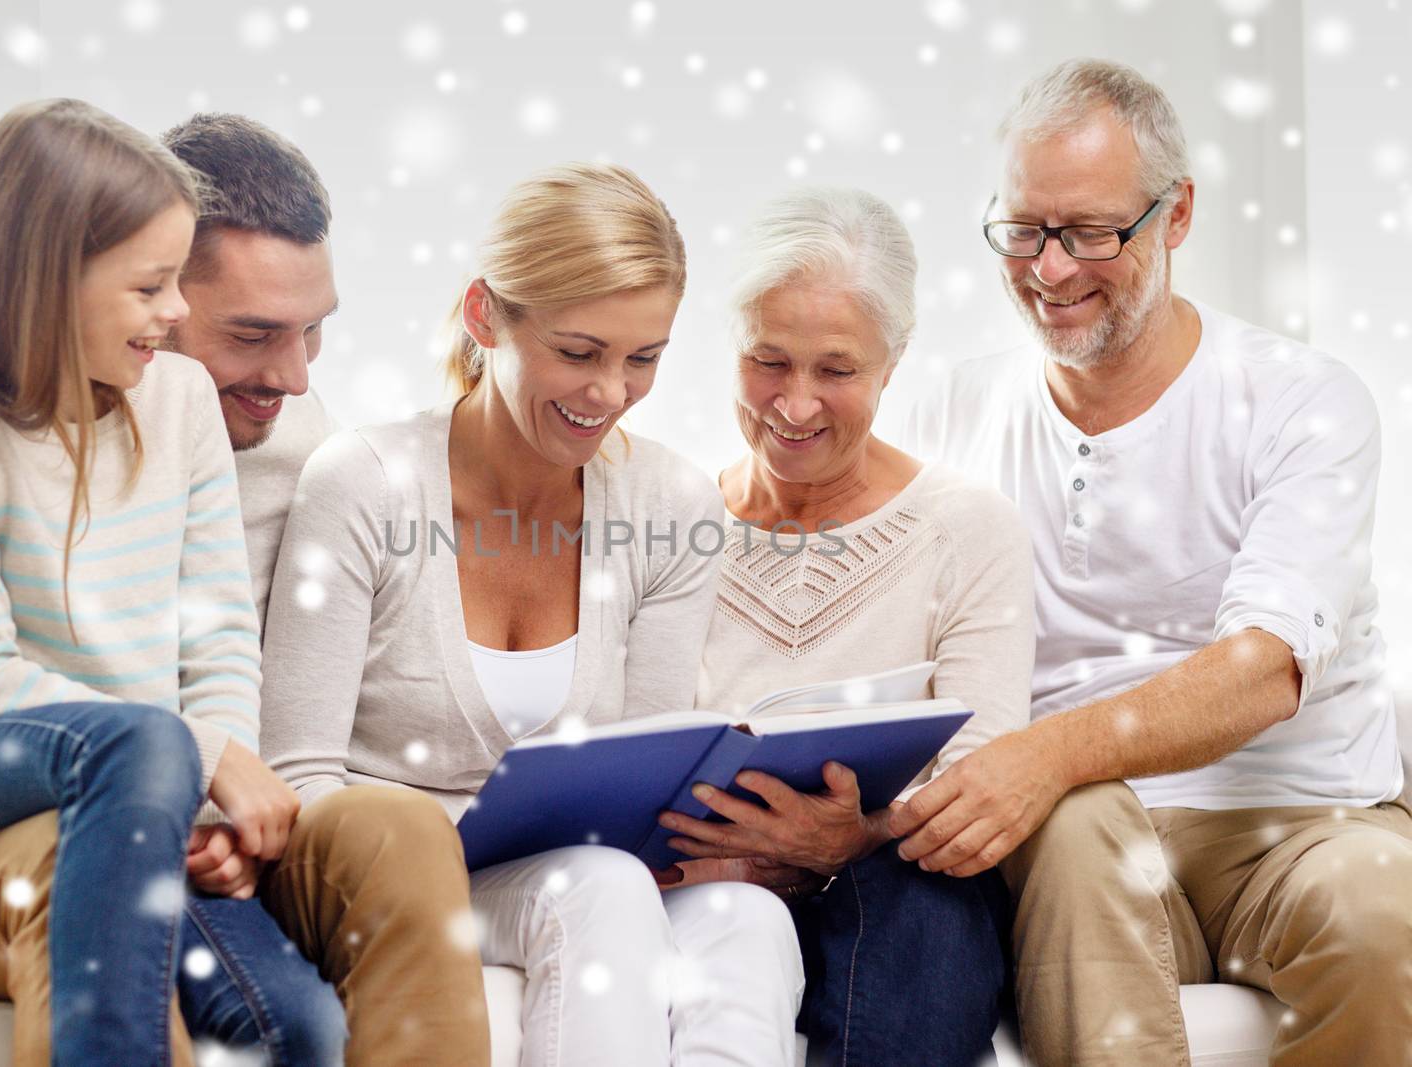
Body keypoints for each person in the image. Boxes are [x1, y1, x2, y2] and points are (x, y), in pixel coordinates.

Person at [0, 111, 490, 1066]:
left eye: (315, 334)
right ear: (58, 285)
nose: (292, 378)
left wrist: (220, 804)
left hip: (170, 789)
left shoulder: (243, 421)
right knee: (119, 792)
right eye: (251, 332)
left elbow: (224, 647)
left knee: (348, 923)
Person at [899, 59, 1412, 1066]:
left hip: (1306, 818)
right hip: (1089, 839)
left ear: (1175, 216)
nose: (1049, 270)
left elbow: (1264, 667)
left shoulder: (1300, 400)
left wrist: (1045, 751)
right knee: (1075, 810)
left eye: (1090, 232)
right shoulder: (945, 414)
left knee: (1375, 917)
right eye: (1023, 230)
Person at [259, 161, 806, 1066]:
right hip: (385, 875)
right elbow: (299, 771)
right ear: (486, 317)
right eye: (579, 352)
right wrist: (448, 836)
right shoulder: (363, 483)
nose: (610, 394)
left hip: (570, 867)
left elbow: (648, 760)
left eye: (644, 358)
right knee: (595, 886)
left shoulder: (669, 501)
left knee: (747, 918)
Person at [654, 187, 1032, 1067]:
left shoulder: (969, 527)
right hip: (712, 883)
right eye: (767, 360)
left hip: (903, 889)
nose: (794, 404)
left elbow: (979, 779)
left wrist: (850, 838)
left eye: (836, 369)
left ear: (893, 363)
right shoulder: (668, 525)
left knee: (919, 898)